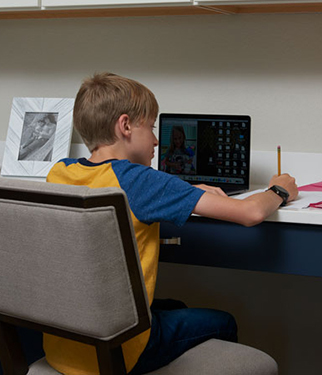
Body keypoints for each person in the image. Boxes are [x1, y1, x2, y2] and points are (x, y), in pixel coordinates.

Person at [45, 72, 299, 375]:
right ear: (125, 126)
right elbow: (250, 213)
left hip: (64, 344)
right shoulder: (140, 180)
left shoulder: (59, 172)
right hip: (122, 352)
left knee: (176, 306)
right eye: (150, 127)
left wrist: (187, 192)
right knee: (224, 321)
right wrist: (280, 190)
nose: (155, 139)